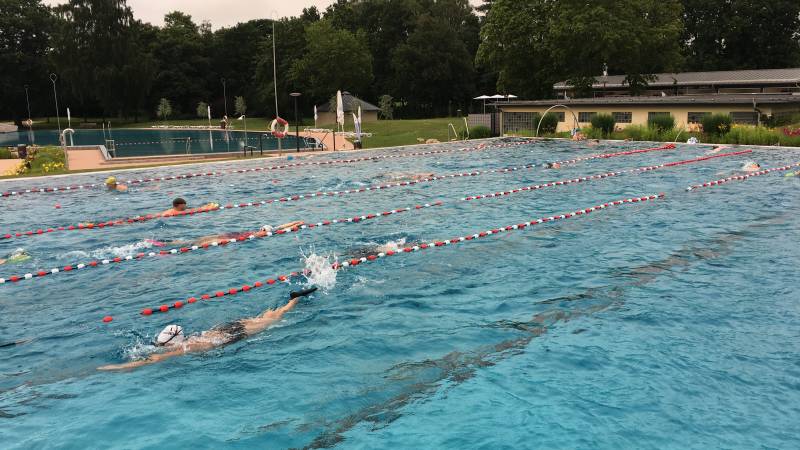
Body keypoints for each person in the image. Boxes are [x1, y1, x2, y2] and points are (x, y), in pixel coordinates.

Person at [98, 287, 318, 371]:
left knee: (275, 319)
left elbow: (152, 360)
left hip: (233, 334)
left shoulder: (183, 348)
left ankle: (293, 301)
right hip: (226, 328)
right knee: (264, 317)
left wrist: (115, 368)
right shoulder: (189, 340)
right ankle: (289, 301)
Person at [192, 220, 305, 246]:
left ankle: (195, 243)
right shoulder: (267, 231)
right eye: (262, 228)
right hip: (240, 234)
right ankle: (194, 242)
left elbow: (283, 229)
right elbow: (282, 226)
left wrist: (297, 225)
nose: (262, 230)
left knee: (213, 240)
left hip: (240, 235)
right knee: (210, 238)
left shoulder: (264, 233)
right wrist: (297, 222)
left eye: (264, 230)